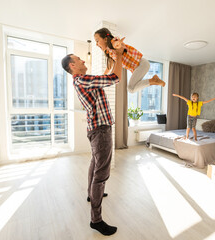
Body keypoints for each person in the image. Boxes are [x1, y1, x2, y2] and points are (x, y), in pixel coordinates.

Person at [61, 45, 124, 236]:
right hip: (101, 130)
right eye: (79, 59)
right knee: (101, 174)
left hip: (95, 129)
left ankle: (91, 194)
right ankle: (96, 220)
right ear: (73, 65)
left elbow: (105, 76)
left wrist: (111, 58)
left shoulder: (83, 80)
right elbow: (115, 78)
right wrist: (120, 56)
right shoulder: (82, 79)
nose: (83, 60)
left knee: (95, 163)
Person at [94, 27, 165, 93]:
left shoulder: (113, 44)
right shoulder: (110, 52)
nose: (96, 44)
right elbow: (109, 67)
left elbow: (116, 42)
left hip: (141, 64)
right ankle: (153, 80)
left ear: (105, 39)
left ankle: (153, 80)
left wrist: (117, 43)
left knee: (131, 88)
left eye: (97, 41)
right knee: (131, 88)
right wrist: (101, 81)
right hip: (139, 66)